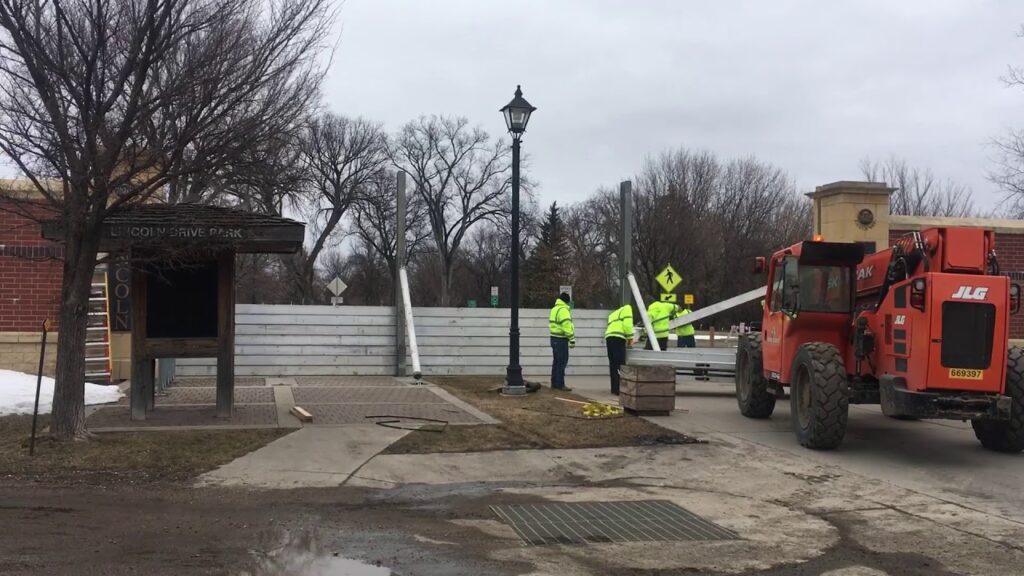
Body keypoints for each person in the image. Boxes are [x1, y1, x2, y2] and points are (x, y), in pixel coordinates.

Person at [548, 292, 575, 391]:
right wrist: (572, 339)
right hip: (561, 339)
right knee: (562, 362)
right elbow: (566, 325)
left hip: (553, 338)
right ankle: (560, 384)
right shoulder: (563, 310)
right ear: (566, 301)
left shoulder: (554, 309)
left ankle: (554, 383)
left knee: (556, 362)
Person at [604, 303, 633, 395]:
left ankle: (614, 388)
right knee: (620, 364)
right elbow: (627, 325)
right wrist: (630, 338)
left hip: (609, 337)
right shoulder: (628, 308)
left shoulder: (613, 314)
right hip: (618, 338)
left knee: (613, 364)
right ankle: (620, 389)